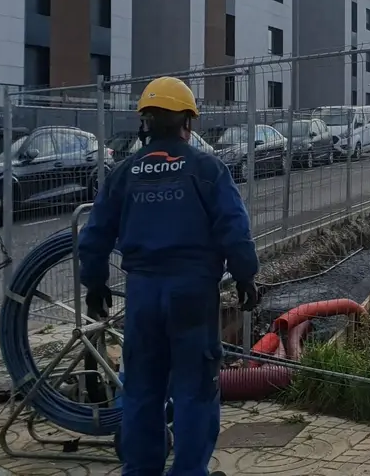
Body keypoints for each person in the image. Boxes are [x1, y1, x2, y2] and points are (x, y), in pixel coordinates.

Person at [78, 76, 260, 476]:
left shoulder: (125, 174)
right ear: (188, 123)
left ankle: (141, 470)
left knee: (143, 389)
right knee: (195, 390)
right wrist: (246, 275)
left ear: (145, 122)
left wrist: (94, 285)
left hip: (143, 294)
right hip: (193, 294)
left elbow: (93, 238)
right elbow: (233, 226)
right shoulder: (206, 169)